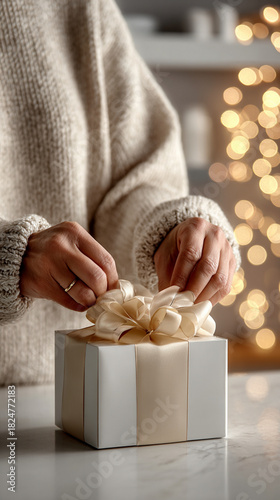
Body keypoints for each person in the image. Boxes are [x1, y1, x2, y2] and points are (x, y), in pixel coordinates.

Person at [0, 0, 240, 385]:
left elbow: (135, 178)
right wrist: (10, 255)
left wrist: (167, 233)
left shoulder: (82, 10)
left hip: (61, 396)